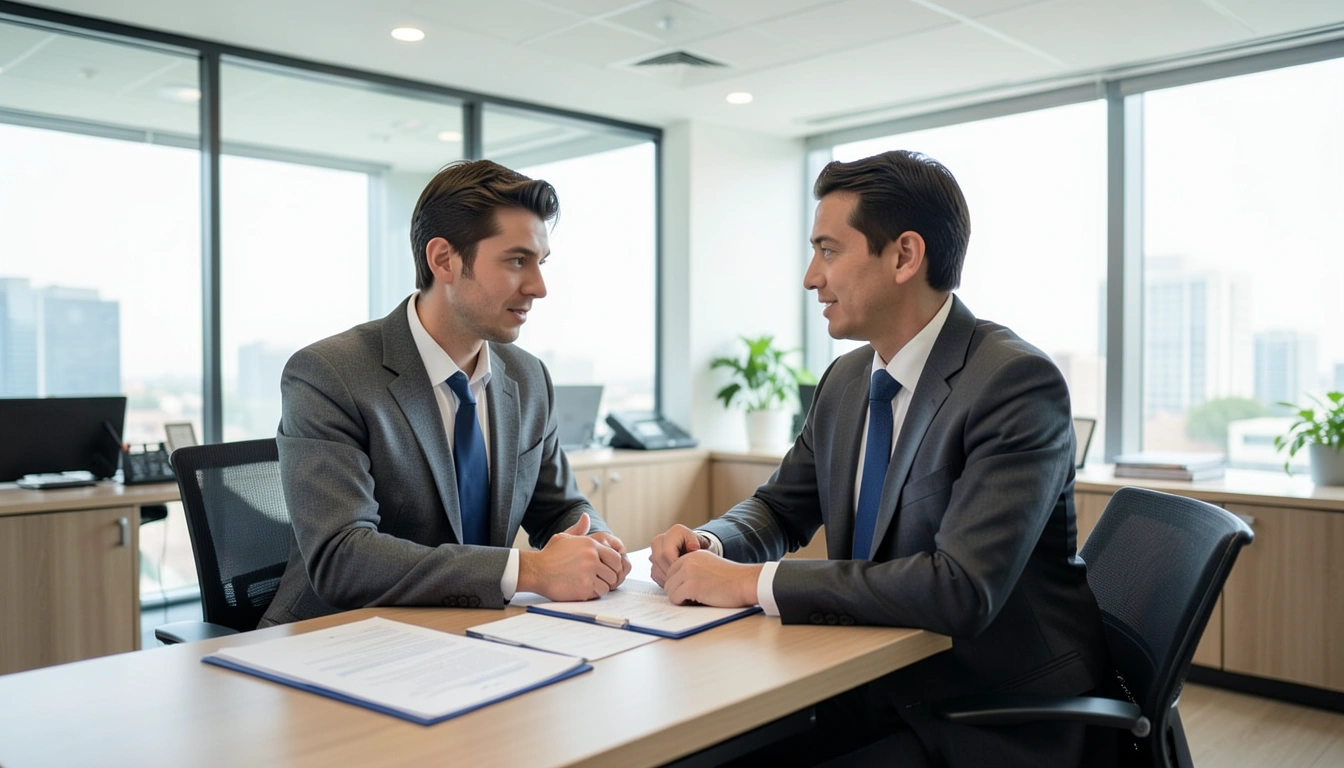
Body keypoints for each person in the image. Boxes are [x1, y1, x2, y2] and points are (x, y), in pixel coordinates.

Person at [650, 151, 1111, 767]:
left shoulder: (1013, 384)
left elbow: (960, 589)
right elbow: (779, 509)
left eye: (829, 250)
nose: (811, 277)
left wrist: (748, 583)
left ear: (904, 256)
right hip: (867, 679)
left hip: (984, 708)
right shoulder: (846, 380)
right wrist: (714, 544)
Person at [261, 160, 630, 627]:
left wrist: (595, 542)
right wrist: (530, 569)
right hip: (342, 638)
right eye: (517, 260)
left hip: (475, 635)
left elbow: (560, 507)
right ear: (443, 260)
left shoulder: (528, 377)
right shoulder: (330, 374)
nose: (538, 287)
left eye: (540, 262)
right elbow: (342, 556)